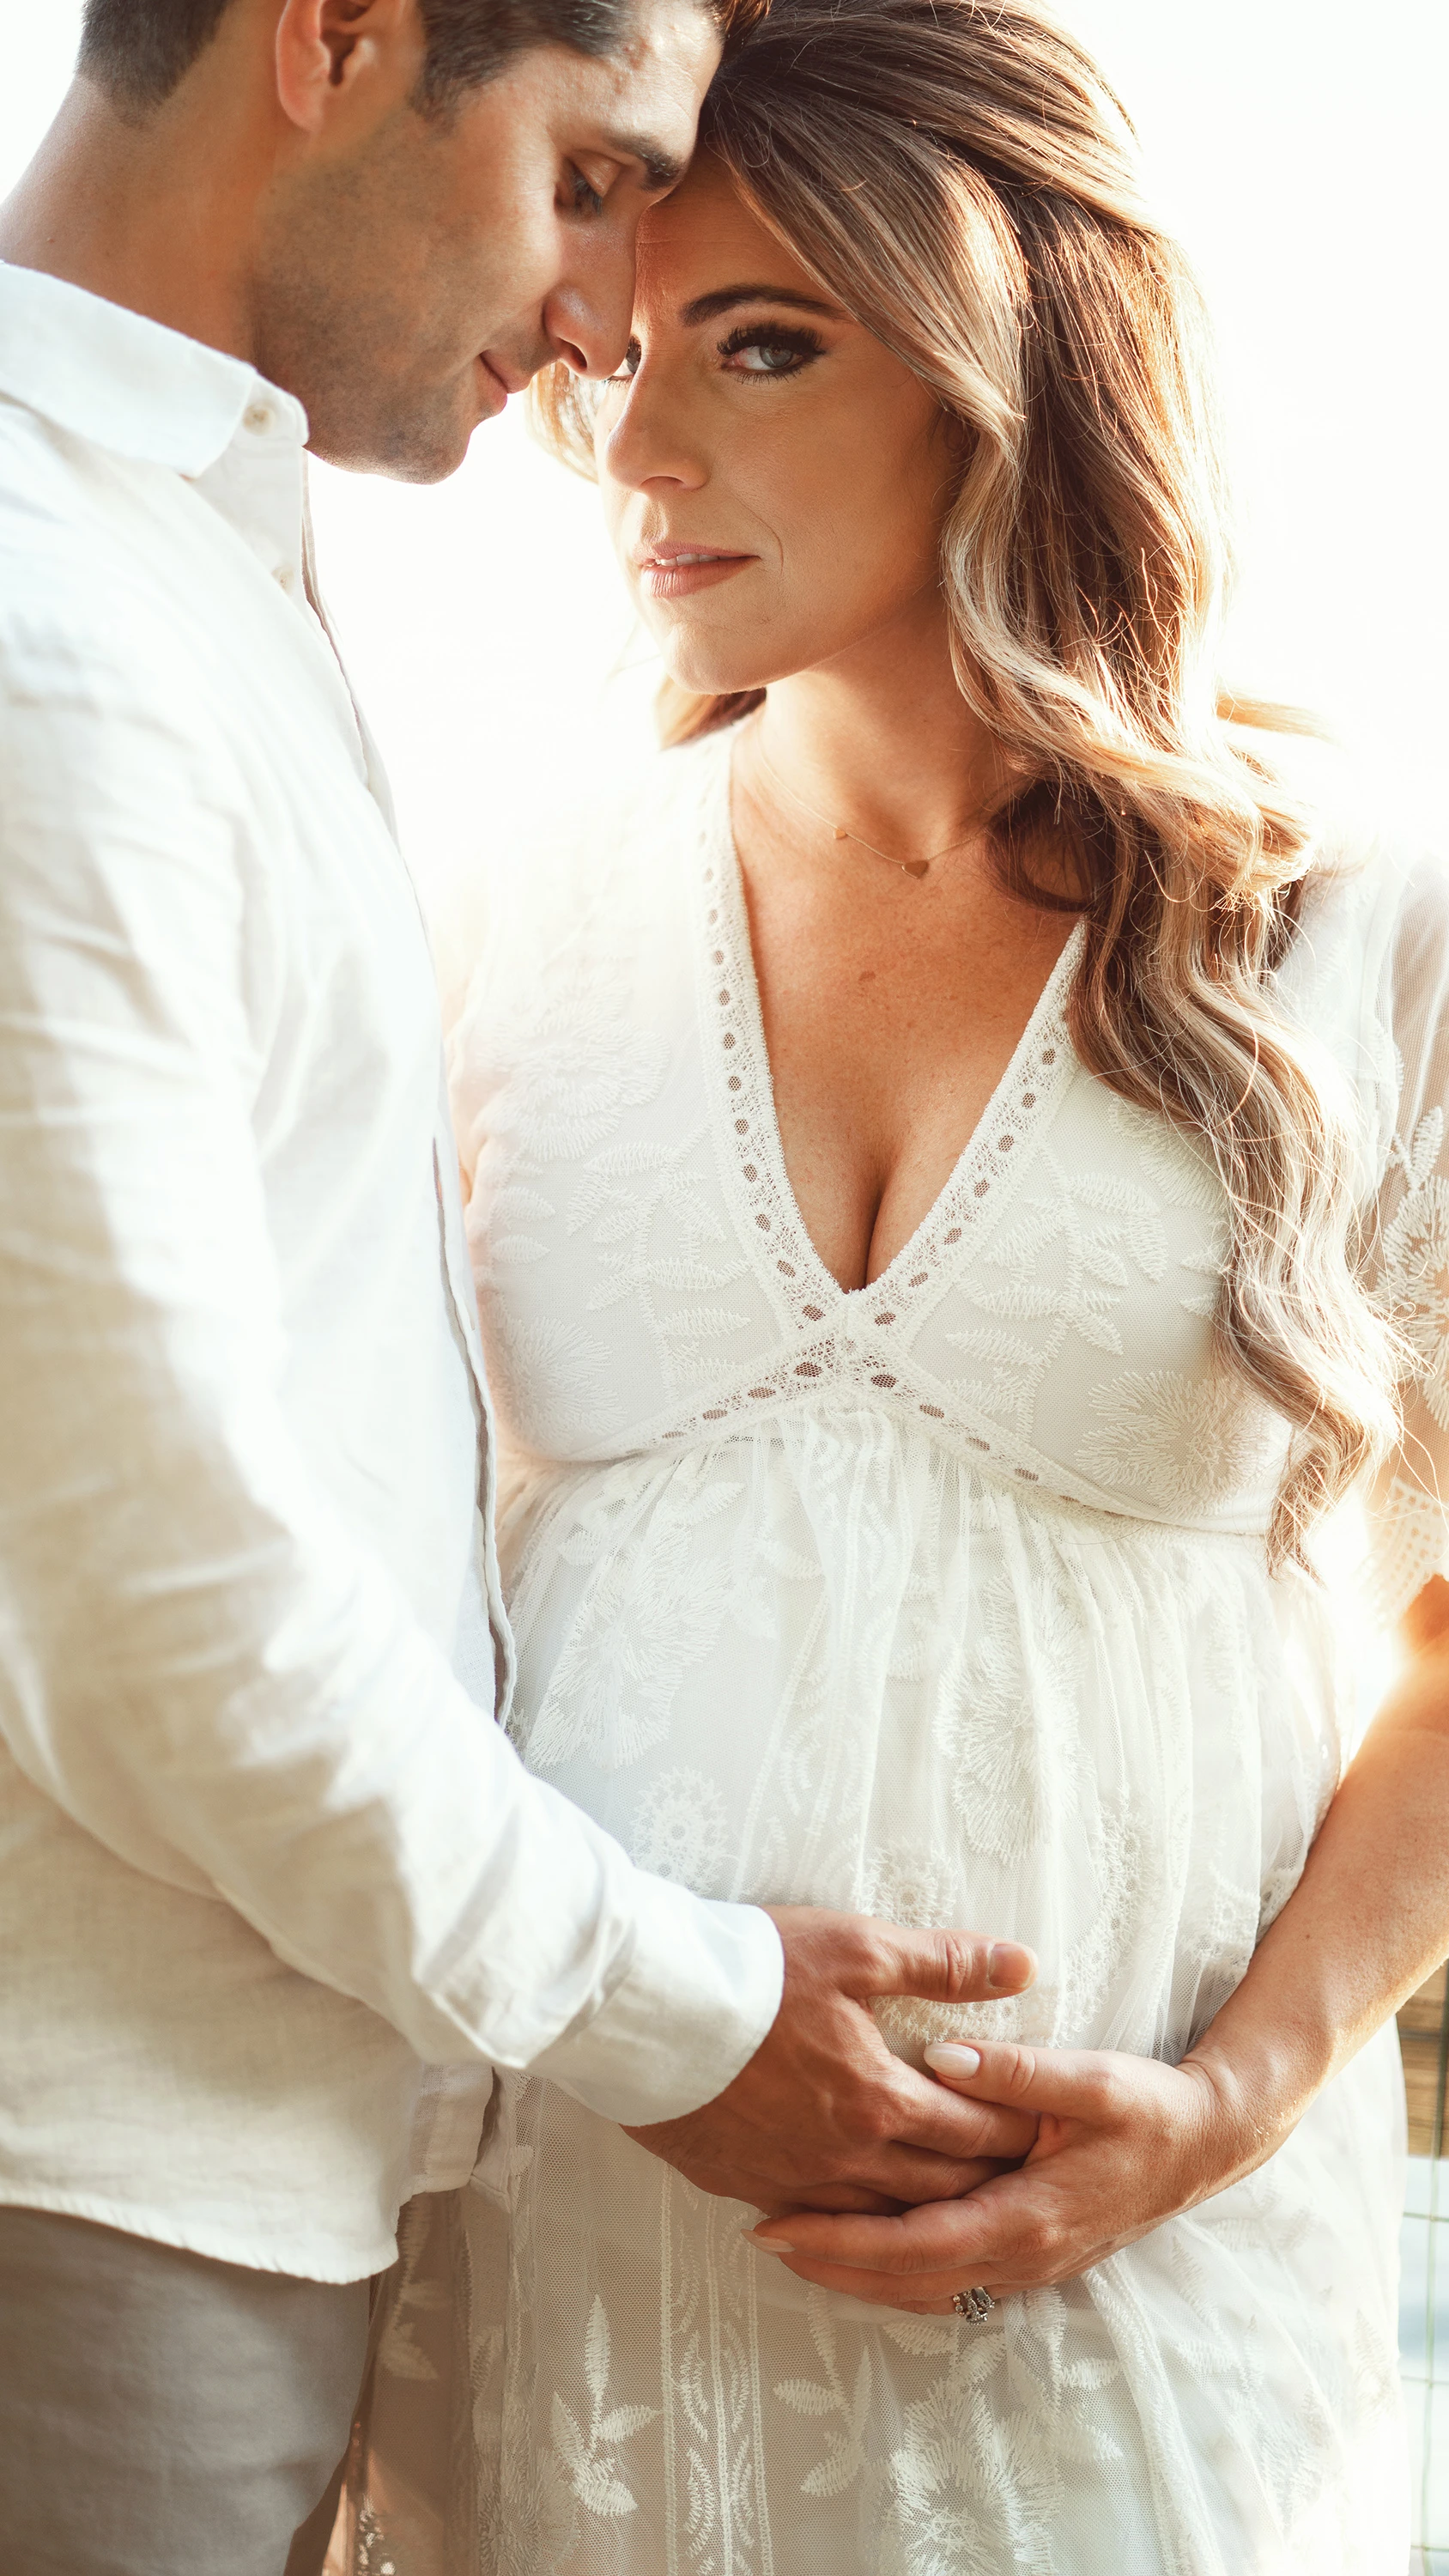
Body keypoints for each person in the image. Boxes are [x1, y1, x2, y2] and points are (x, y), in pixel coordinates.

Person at [0, 0, 1050, 2567]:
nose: (598, 322)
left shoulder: (122, 562)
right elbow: (145, 1596)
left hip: (182, 2186)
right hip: (33, 2196)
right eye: (587, 179)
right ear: (330, 36)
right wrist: (684, 2019)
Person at [338, 1, 1449, 2566]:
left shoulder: (1355, 933)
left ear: (1003, 359)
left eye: (762, 343)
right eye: (614, 354)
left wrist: (1246, 2095)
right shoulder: (494, 924)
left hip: (1134, 2351)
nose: (636, 449)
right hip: (562, 2330)